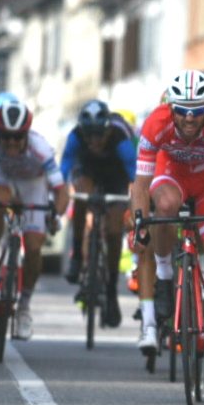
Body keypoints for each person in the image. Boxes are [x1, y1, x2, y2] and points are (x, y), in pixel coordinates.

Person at [129, 69, 204, 381]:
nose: (188, 119)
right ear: (171, 108)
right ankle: (165, 277)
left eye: (196, 112)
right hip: (170, 174)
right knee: (165, 207)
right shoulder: (155, 123)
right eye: (182, 111)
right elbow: (141, 185)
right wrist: (141, 223)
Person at [0, 100, 69, 340]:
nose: (11, 143)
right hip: (4, 179)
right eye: (5, 137)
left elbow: (61, 190)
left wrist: (54, 214)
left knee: (35, 248)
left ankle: (24, 307)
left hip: (33, 185)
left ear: (26, 134)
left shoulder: (41, 149)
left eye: (17, 138)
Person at [60, 98, 136, 327]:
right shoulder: (75, 136)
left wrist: (134, 203)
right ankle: (76, 256)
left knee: (114, 231)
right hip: (88, 171)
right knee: (82, 194)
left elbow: (135, 175)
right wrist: (60, 190)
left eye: (98, 135)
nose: (93, 141)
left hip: (116, 176)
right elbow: (64, 168)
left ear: (108, 130)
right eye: (88, 135)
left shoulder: (120, 138)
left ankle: (111, 289)